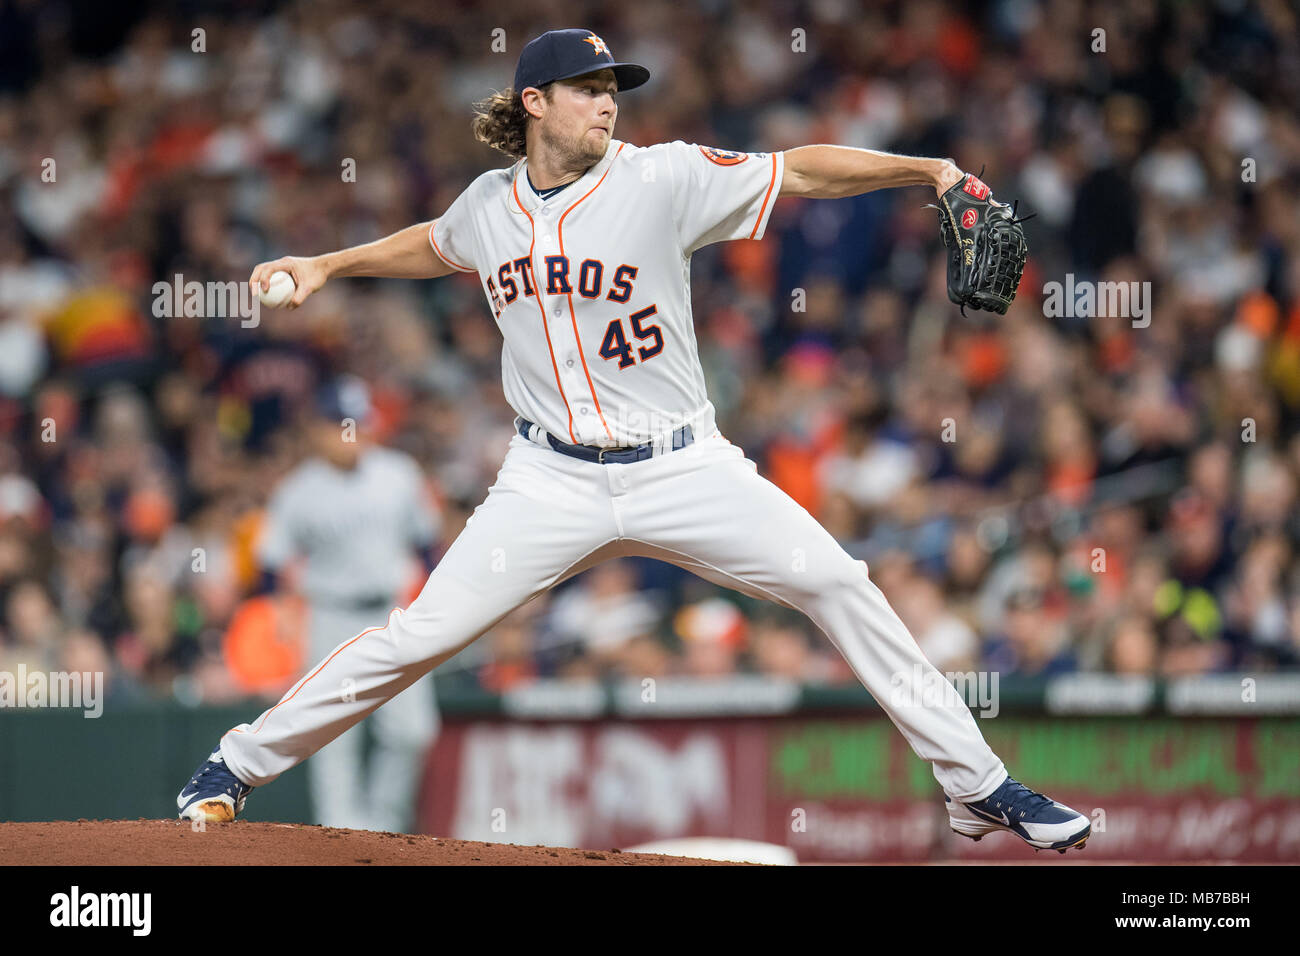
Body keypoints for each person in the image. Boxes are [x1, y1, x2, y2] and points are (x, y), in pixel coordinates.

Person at [178, 28, 1090, 854]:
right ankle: (234, 768)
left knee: (839, 582)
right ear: (534, 103)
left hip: (684, 464)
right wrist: (329, 264)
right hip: (548, 478)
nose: (608, 101)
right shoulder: (488, 204)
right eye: (586, 86)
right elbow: (439, 242)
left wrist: (927, 170)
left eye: (613, 85)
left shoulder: (663, 177)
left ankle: (979, 787)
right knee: (417, 636)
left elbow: (799, 169)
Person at [253, 376, 441, 831]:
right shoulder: (298, 490)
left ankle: (381, 828)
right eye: (341, 425)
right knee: (331, 735)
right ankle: (338, 836)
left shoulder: (398, 473)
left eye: (358, 423)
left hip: (391, 614)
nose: (352, 435)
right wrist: (280, 614)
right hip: (330, 617)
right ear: (318, 430)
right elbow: (270, 563)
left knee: (414, 732)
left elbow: (428, 545)